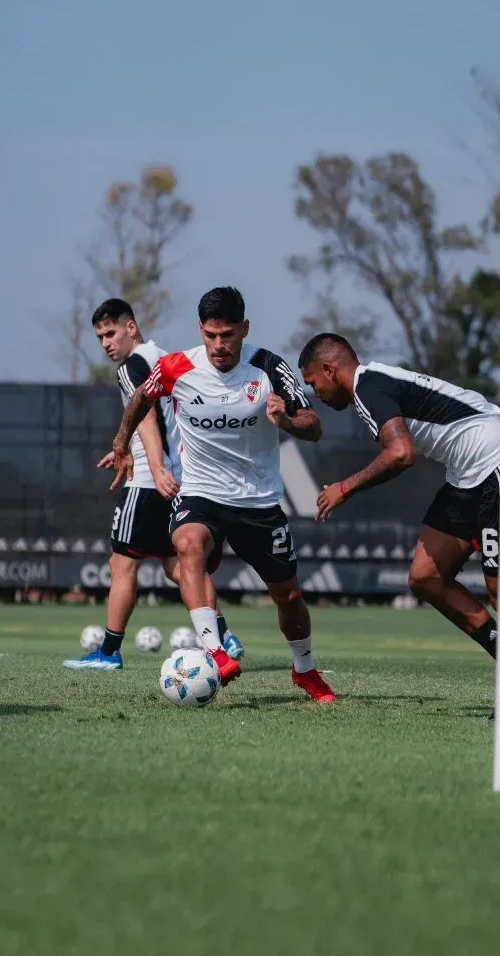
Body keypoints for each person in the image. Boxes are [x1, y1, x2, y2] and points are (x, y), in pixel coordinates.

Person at [298, 332, 500, 686]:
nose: (316, 394)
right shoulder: (373, 385)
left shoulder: (368, 388)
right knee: (426, 577)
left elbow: (401, 453)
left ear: (329, 369)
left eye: (313, 383)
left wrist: (344, 487)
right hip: (468, 474)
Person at [111, 287, 336, 702]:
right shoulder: (177, 366)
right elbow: (142, 396)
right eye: (211, 335)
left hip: (258, 502)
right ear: (201, 330)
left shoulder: (268, 367)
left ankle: (304, 670)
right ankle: (214, 651)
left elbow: (314, 424)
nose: (219, 345)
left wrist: (286, 420)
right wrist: (123, 442)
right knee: (187, 544)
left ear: (244, 329)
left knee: (288, 596)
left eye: (228, 335)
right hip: (201, 493)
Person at [64, 298, 243, 671]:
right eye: (100, 337)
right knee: (177, 566)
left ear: (131, 327)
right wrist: (128, 449)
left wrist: (156, 466)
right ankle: (224, 635)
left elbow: (145, 416)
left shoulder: (132, 366)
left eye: (111, 333)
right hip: (179, 476)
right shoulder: (166, 357)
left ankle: (109, 652)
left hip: (149, 481)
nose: (106, 344)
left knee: (121, 564)